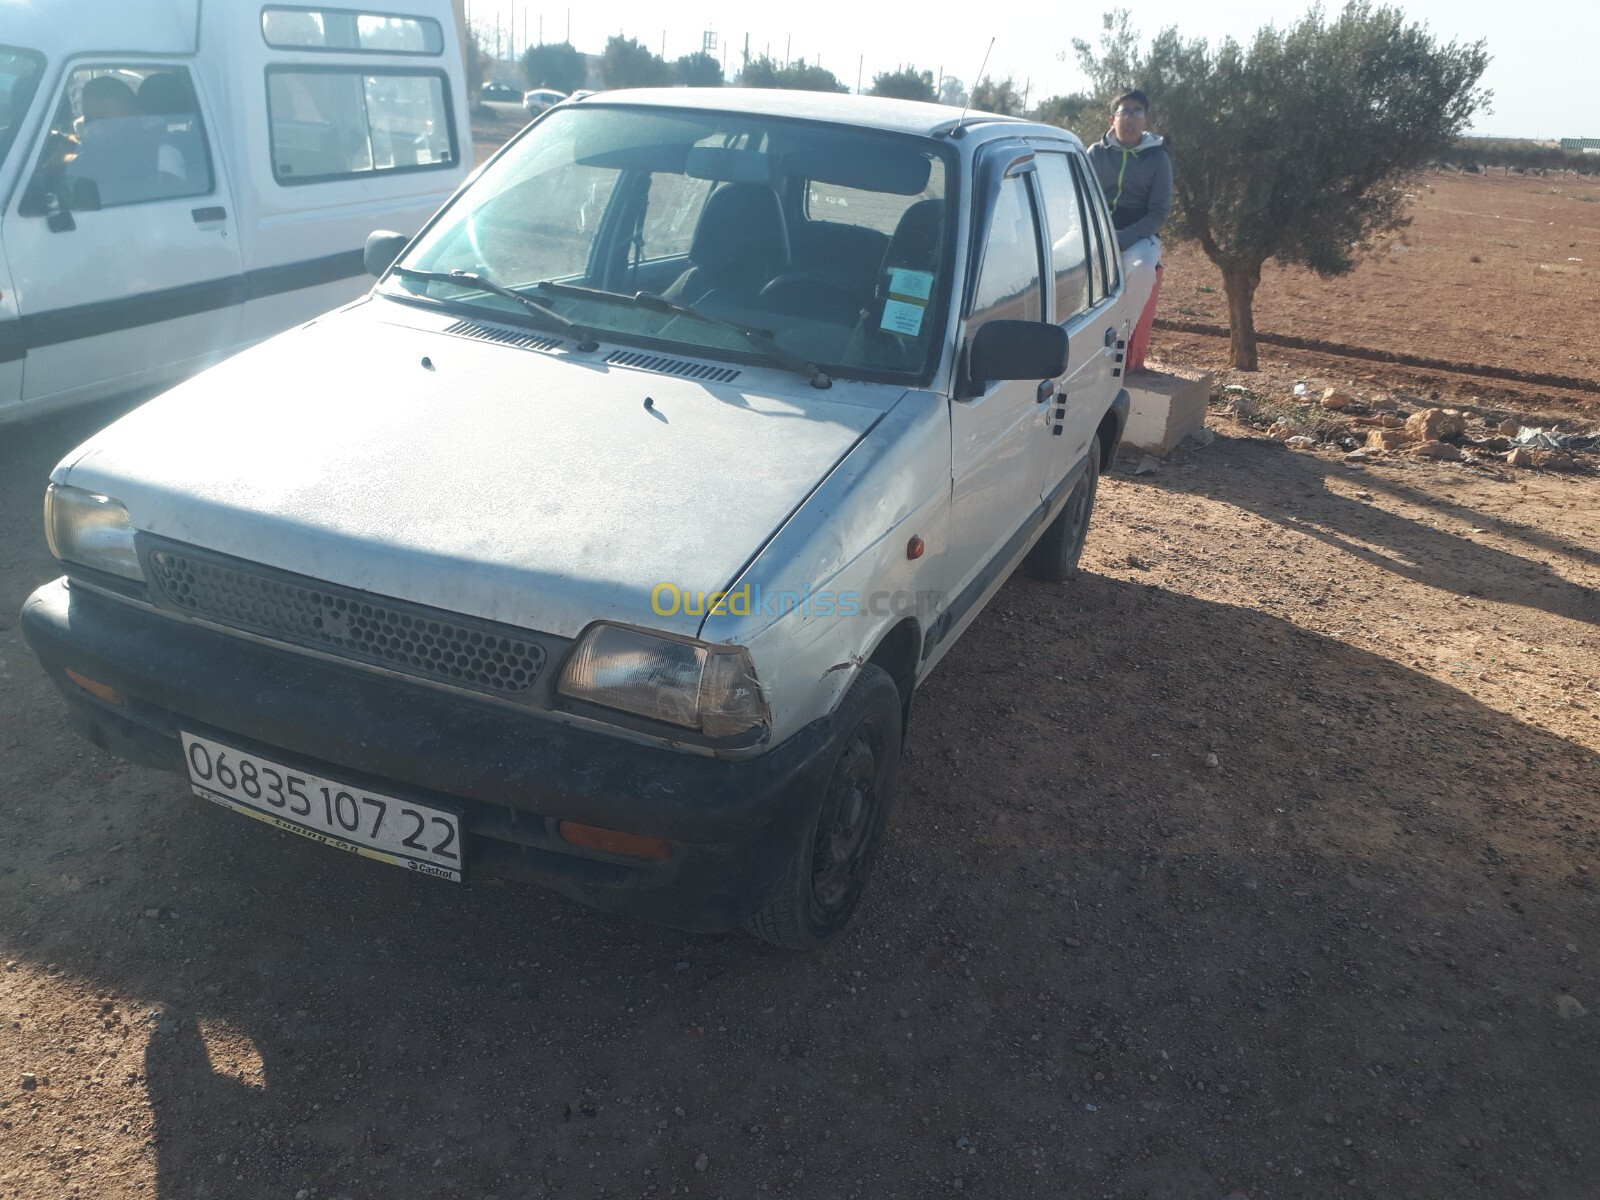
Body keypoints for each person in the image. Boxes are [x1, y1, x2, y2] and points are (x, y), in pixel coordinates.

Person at [1086, 89, 1171, 371]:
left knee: (1142, 267)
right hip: (1097, 229)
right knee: (1057, 261)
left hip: (1138, 235)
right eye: (1125, 111)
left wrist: (1125, 238)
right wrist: (1099, 235)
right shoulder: (1095, 154)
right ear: (1112, 119)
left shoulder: (1158, 159)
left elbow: (1158, 212)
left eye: (1138, 112)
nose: (1131, 118)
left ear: (1146, 120)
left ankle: (1116, 346)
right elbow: (1082, 199)